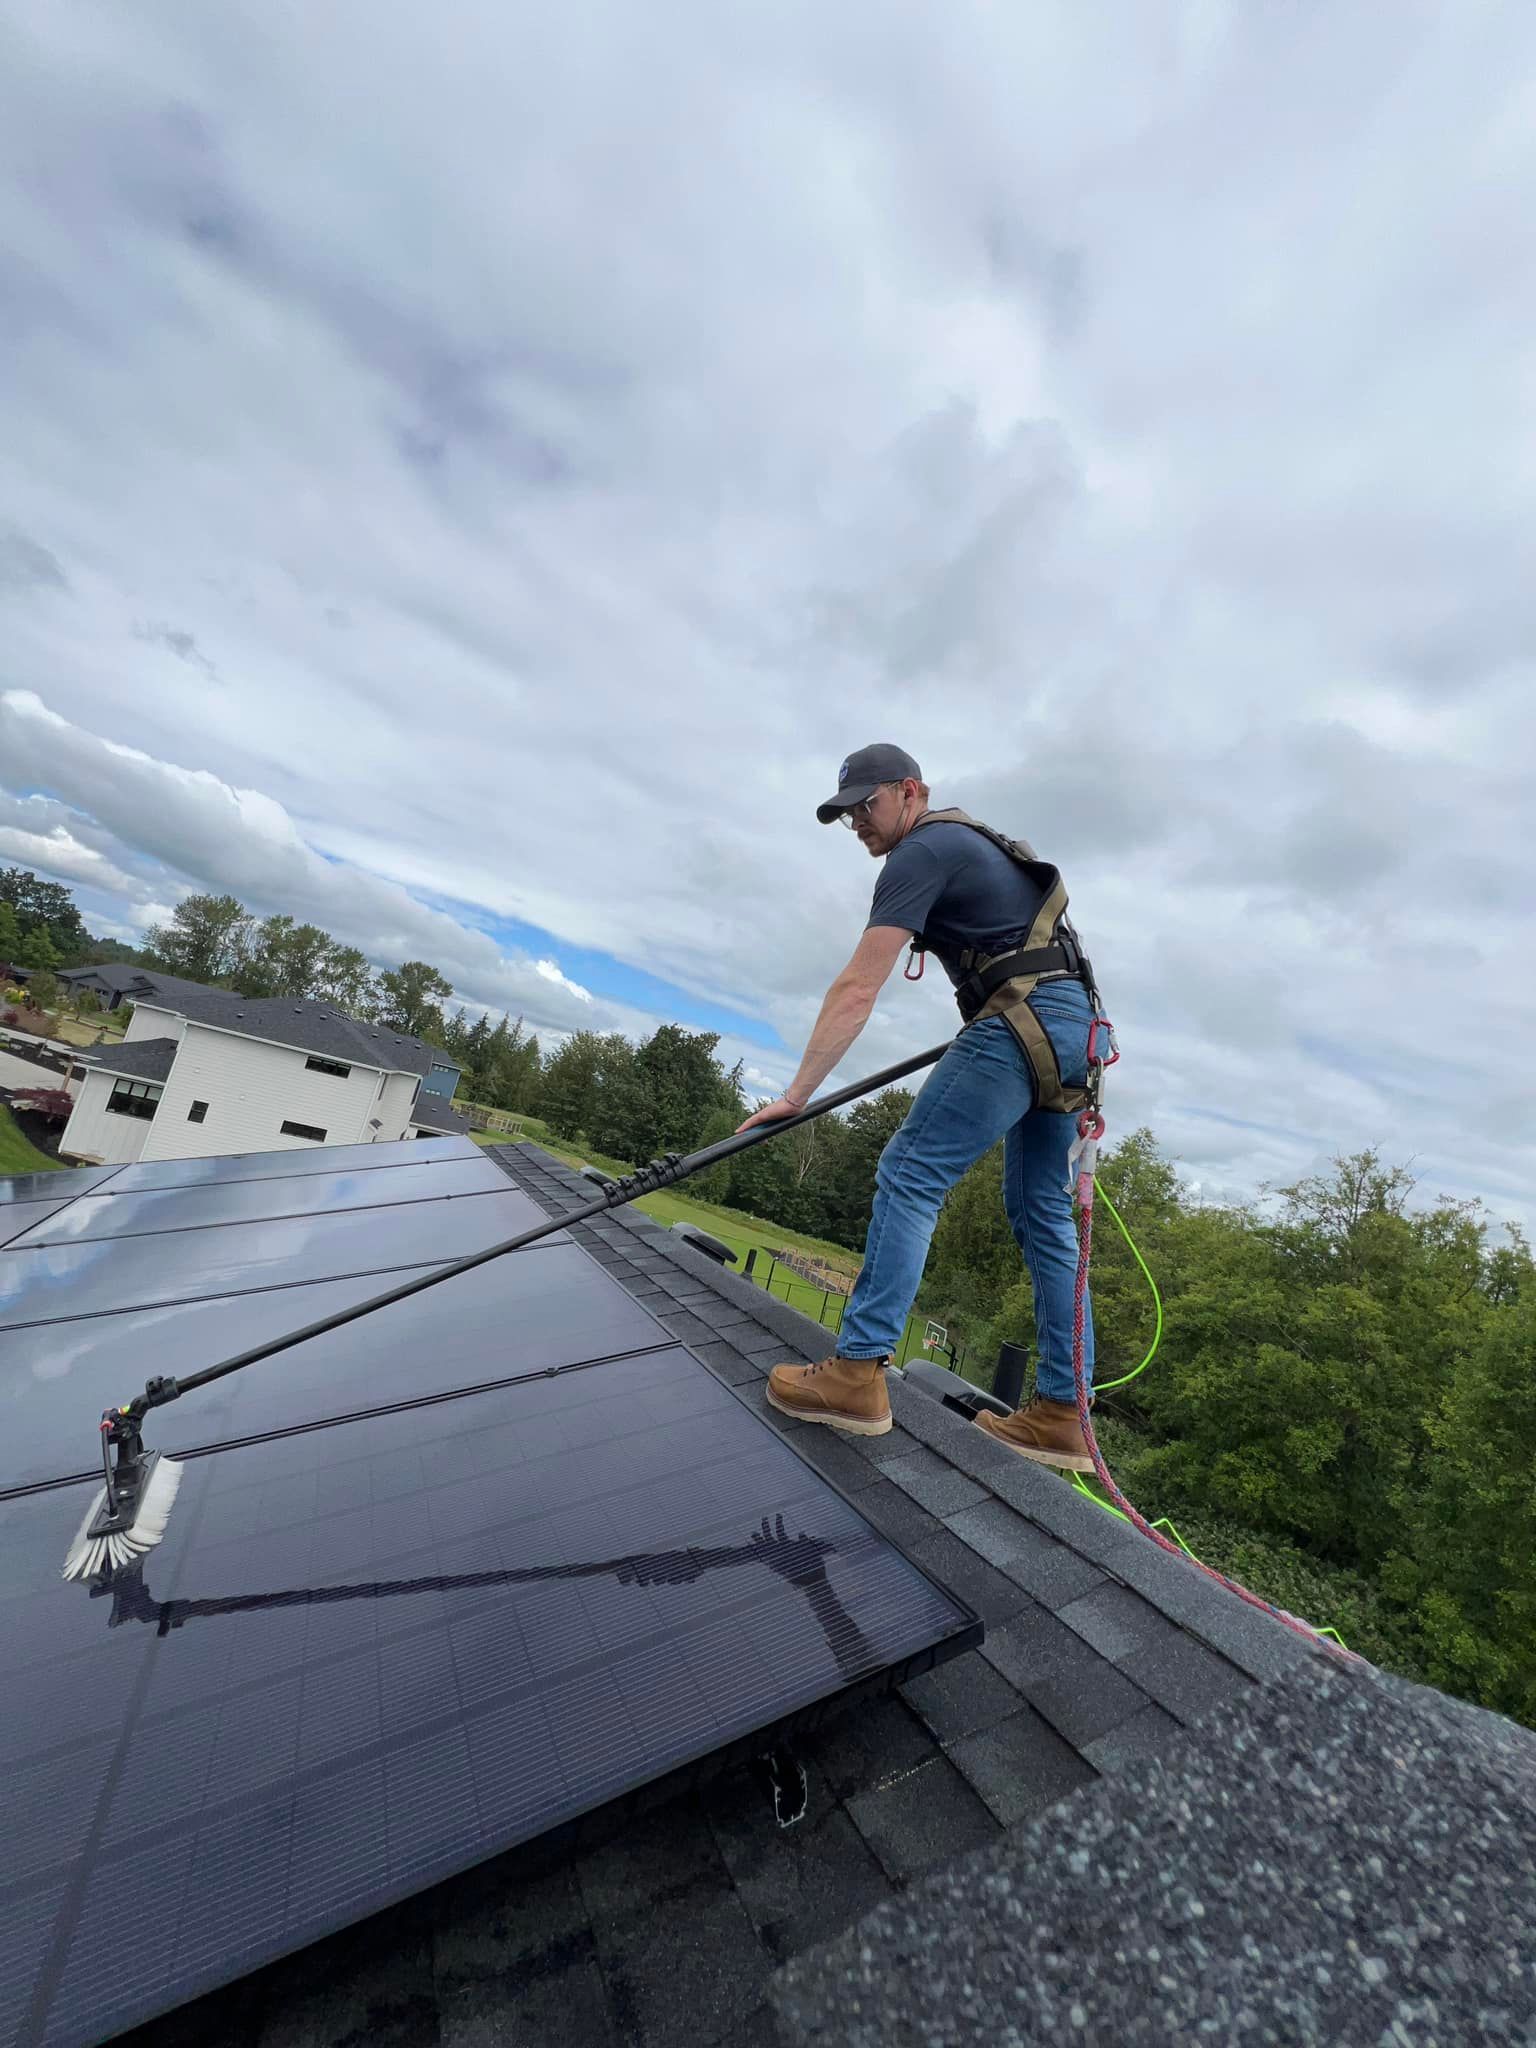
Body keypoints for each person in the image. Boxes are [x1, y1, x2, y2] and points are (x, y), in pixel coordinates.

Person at [736, 743, 1101, 1471]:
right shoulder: (969, 846)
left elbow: (857, 986)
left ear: (911, 792)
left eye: (866, 806)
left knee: (910, 1171)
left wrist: (796, 1094)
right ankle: (1065, 1416)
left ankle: (856, 1373)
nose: (858, 826)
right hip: (1077, 1032)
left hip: (1022, 1019)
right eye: (845, 815)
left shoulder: (923, 851)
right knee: (1042, 1215)